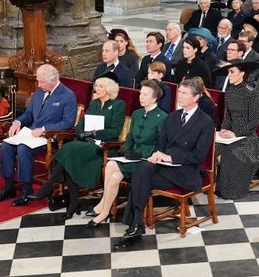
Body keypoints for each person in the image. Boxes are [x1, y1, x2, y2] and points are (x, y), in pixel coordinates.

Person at [115, 78, 214, 248]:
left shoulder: (205, 122)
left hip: (185, 172)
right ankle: (137, 224)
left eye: (184, 93)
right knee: (142, 170)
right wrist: (157, 154)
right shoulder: (173, 117)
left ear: (196, 97)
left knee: (141, 178)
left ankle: (135, 225)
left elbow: (198, 156)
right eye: (179, 92)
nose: (179, 96)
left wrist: (171, 158)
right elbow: (161, 144)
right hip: (164, 166)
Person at [27, 76, 125, 220]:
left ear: (108, 90)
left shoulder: (118, 105)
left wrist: (93, 133)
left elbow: (115, 131)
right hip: (85, 144)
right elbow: (80, 125)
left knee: (69, 149)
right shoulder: (94, 104)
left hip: (103, 147)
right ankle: (73, 202)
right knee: (70, 157)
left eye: (100, 86)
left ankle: (48, 188)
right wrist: (82, 133)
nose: (96, 89)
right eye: (96, 86)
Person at [0, 64, 77, 206]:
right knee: (6, 145)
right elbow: (29, 114)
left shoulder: (67, 96)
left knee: (23, 148)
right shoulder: (40, 92)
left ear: (53, 80)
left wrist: (44, 128)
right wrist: (17, 122)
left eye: (41, 82)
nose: (38, 84)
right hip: (31, 134)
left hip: (50, 137)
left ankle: (27, 189)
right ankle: (8, 186)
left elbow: (68, 123)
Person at [86, 79, 167, 227]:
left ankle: (103, 209)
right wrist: (127, 150)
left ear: (155, 98)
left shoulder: (162, 117)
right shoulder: (137, 114)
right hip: (132, 157)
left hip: (147, 161)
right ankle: (105, 207)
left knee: (112, 168)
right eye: (140, 94)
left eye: (145, 95)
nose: (141, 97)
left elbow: (161, 145)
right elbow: (129, 137)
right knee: (113, 170)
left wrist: (141, 155)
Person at [215, 61, 259, 199]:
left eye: (232, 72)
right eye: (228, 72)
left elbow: (255, 121)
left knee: (231, 153)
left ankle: (232, 189)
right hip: (229, 135)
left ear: (242, 73)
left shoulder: (251, 93)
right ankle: (215, 184)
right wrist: (223, 129)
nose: (229, 75)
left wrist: (236, 133)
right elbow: (228, 116)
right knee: (213, 148)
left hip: (247, 138)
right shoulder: (229, 91)